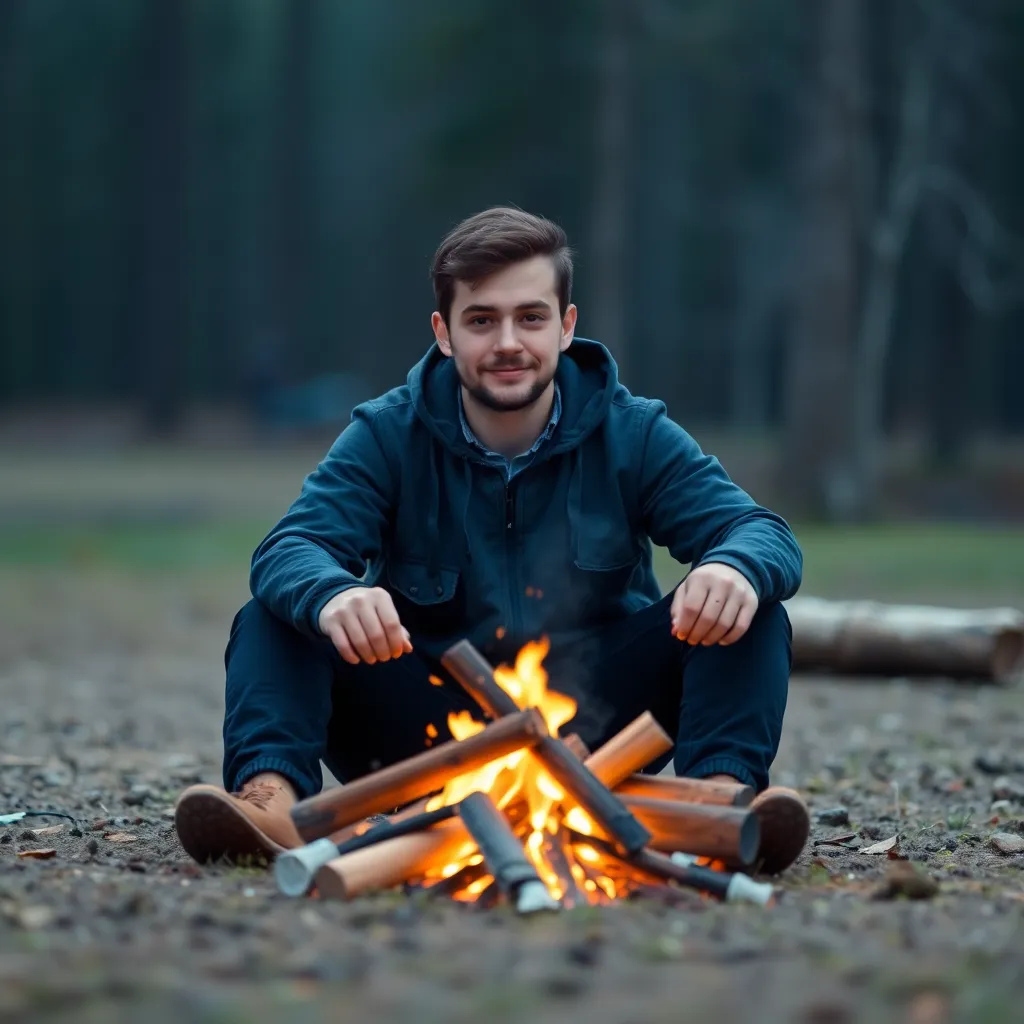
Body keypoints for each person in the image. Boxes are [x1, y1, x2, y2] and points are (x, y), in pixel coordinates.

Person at [174, 207, 809, 874]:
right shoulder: (388, 434)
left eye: (531, 317)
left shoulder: (635, 433)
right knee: (278, 612)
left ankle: (712, 804)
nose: (508, 341)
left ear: (566, 327)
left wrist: (734, 567)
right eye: (482, 320)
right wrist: (333, 594)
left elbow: (760, 531)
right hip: (421, 740)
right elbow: (290, 546)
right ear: (444, 333)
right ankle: (274, 805)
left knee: (750, 603)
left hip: (596, 728)